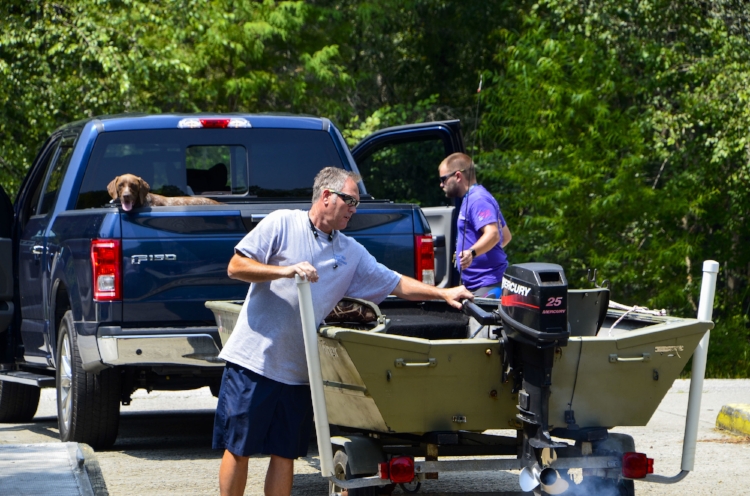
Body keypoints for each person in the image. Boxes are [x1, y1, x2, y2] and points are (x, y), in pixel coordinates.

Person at [213, 166, 473, 496]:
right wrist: (286, 270)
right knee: (239, 448)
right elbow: (236, 266)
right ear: (326, 197)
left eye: (357, 203)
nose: (354, 208)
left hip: (297, 372)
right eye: (350, 200)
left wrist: (444, 293)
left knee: (284, 454)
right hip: (254, 363)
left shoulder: (349, 252)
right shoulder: (283, 223)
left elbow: (396, 282)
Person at [438, 152, 512, 298]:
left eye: (443, 179)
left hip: (488, 284)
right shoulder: (473, 198)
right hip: (481, 284)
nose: (441, 185)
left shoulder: (478, 199)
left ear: (458, 176)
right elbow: (506, 236)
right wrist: (486, 251)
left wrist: (472, 253)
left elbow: (494, 234)